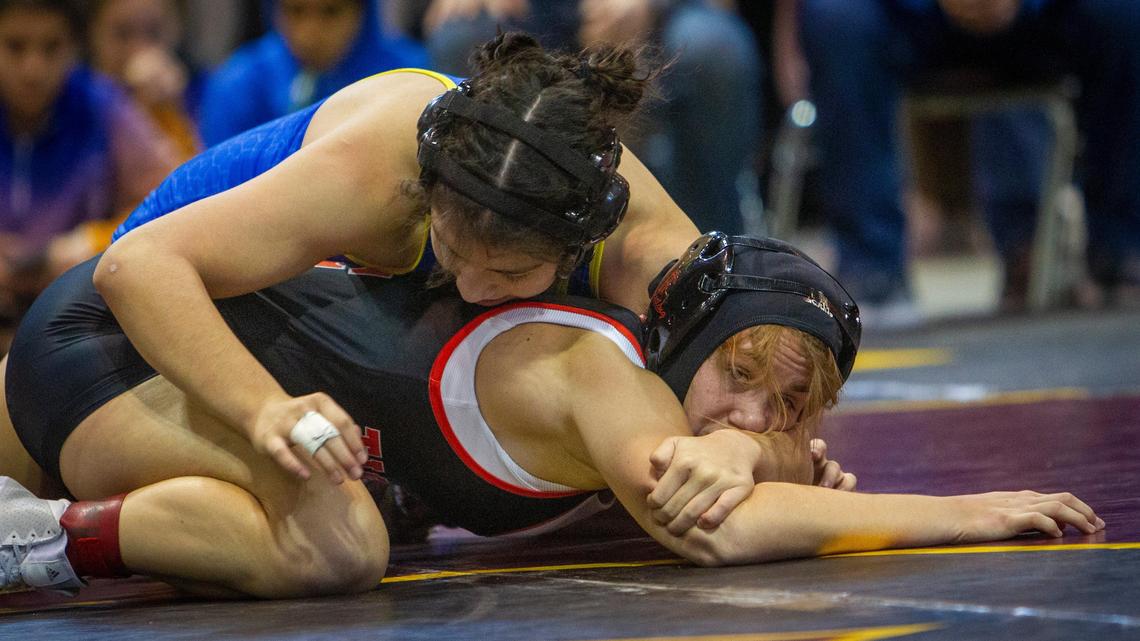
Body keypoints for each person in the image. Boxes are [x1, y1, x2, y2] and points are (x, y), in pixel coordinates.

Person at [0, 232, 1102, 597]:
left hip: (123, 355)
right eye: (742, 379)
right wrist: (973, 509)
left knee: (339, 513)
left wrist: (770, 458)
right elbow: (710, 528)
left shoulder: (639, 399)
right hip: (117, 339)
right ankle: (39, 544)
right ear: (687, 336)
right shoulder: (604, 372)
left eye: (785, 407)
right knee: (339, 542)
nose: (751, 417)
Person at [97, 32, 703, 492]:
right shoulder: (378, 177)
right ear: (430, 196)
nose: (472, 284)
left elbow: (747, 343)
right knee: (336, 543)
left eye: (510, 274)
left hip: (255, 313)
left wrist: (741, 447)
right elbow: (136, 265)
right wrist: (264, 408)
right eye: (454, 250)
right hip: (133, 319)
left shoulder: (635, 231)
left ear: (578, 247)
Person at [797, 0, 1140, 315]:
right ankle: (872, 273)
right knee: (836, 15)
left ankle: (1120, 252)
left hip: (1038, 16)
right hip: (911, 16)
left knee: (1122, 11)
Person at [420, 0, 763, 235]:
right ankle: (483, 239)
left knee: (715, 51)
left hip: (660, 13)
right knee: (461, 32)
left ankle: (707, 244)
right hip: (534, 10)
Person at [0, 0, 178, 333]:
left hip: (76, 307)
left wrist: (90, 243)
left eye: (51, 48)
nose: (33, 68)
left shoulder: (103, 105)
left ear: (75, 47)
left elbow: (173, 198)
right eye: (14, 46)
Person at [197, 0, 428, 146]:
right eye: (295, 11)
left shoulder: (411, 77)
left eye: (330, 11)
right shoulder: (237, 84)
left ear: (363, 12)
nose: (311, 33)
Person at [84, 0, 206, 161]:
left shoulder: (205, 90)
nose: (139, 49)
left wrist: (173, 113)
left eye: (154, 33)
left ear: (177, 29)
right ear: (92, 34)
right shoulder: (76, 102)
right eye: (123, 34)